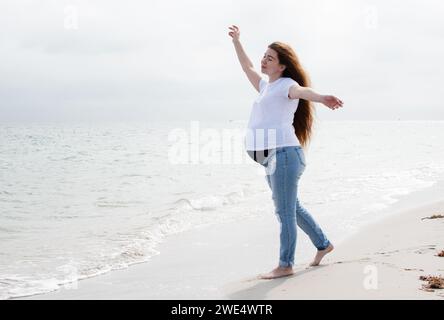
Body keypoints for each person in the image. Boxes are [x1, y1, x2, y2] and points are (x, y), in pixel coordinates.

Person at [228, 25, 344, 280]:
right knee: (292, 208)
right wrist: (237, 41)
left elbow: (302, 91)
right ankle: (323, 244)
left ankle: (285, 264)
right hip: (273, 159)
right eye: (264, 56)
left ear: (281, 66)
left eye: (270, 58)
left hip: (284, 155)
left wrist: (322, 97)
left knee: (284, 212)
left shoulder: (286, 85)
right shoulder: (265, 87)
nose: (264, 60)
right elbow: (247, 67)